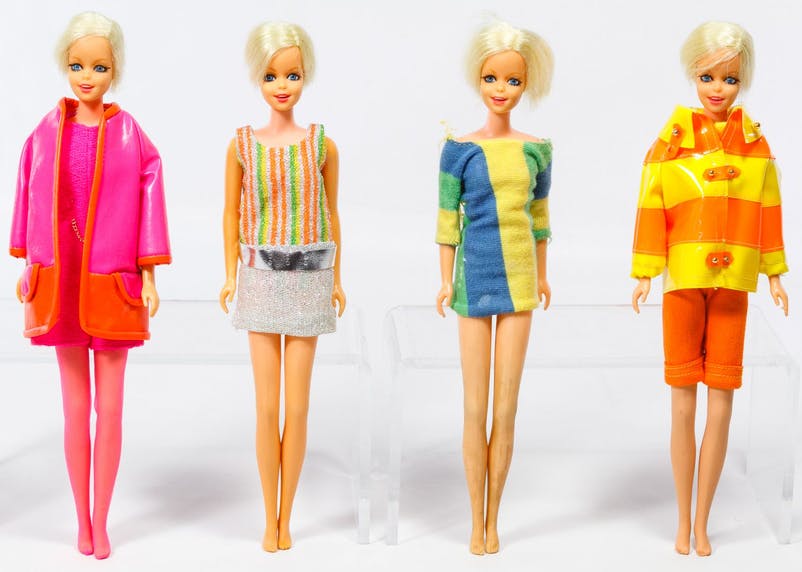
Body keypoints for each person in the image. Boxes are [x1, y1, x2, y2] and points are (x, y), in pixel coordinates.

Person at [9, 11, 171, 559]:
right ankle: (81, 518)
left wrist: (149, 274)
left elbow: (150, 196)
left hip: (113, 282)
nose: (87, 76)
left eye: (99, 67)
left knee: (113, 410)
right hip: (61, 284)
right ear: (65, 65)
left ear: (114, 69)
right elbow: (29, 193)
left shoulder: (129, 134)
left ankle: (102, 519)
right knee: (76, 411)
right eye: (78, 65)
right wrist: (27, 263)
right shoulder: (44, 132)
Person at [630, 21, 788, 556]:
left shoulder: (755, 145)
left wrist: (774, 271)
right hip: (681, 282)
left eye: (729, 78)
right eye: (707, 77)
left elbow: (769, 210)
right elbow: (651, 206)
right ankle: (682, 518)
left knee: (721, 402)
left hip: (733, 283)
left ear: (742, 81)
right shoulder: (670, 143)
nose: (718, 88)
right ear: (693, 75)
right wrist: (645, 270)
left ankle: (702, 521)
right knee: (682, 402)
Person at [219, 21, 345, 552]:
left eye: (292, 74)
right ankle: (266, 517)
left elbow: (332, 214)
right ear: (258, 77)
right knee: (266, 408)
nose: (282, 85)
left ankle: (285, 516)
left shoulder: (321, 144)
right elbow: (231, 213)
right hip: (259, 279)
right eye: (272, 75)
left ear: (305, 76)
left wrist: (338, 277)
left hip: (311, 278)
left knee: (298, 408)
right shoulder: (242, 145)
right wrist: (230, 273)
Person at [435, 19, 553, 555]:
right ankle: (473, 519)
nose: (501, 90)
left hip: (521, 281)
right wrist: (444, 281)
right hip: (471, 281)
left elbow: (540, 218)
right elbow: (447, 223)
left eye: (512, 81)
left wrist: (543, 275)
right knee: (473, 407)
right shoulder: (458, 149)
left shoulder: (537, 150)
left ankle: (493, 518)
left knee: (506, 409)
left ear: (526, 85)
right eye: (491, 78)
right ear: (477, 78)